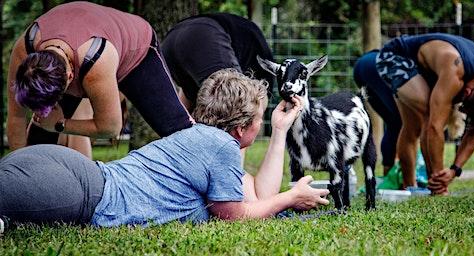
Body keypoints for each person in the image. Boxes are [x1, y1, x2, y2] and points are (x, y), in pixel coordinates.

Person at [0, 69, 329, 230]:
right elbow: (236, 216)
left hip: (70, 173)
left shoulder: (203, 140)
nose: (263, 126)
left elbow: (257, 196)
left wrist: (280, 130)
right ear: (241, 128)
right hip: (81, 191)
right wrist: (291, 198)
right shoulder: (219, 146)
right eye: (260, 121)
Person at [7, 2, 192, 157]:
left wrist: (60, 124)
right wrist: (18, 169)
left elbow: (110, 127)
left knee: (177, 130)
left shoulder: (95, 61)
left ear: (70, 78)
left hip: (136, 52)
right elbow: (16, 116)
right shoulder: (25, 52)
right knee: (39, 136)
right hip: (80, 46)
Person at [353, 33, 474, 195]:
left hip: (425, 66)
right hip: (396, 56)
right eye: (463, 107)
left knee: (418, 122)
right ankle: (412, 185)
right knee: (425, 117)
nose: (460, 109)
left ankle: (416, 185)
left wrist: (454, 170)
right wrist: (439, 179)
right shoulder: (454, 72)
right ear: (467, 92)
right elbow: (434, 127)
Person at [161, 13, 275, 112]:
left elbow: (188, 95)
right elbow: (249, 110)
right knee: (237, 103)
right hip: (206, 35)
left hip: (171, 40)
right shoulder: (263, 78)